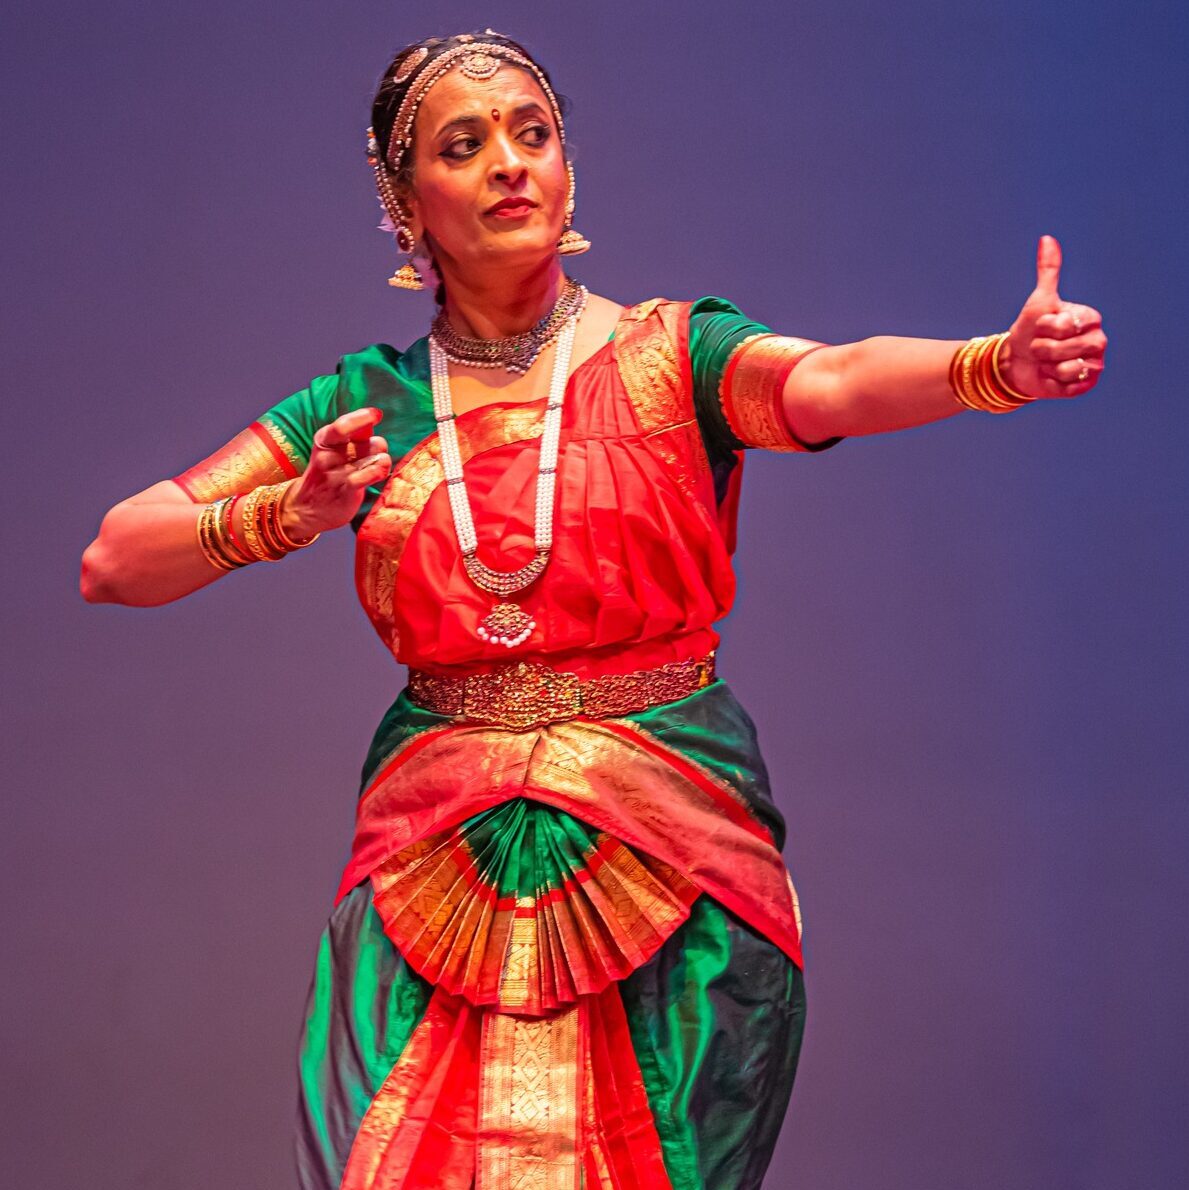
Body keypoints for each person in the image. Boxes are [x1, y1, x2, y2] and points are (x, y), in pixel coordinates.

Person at [80, 29, 1107, 1190]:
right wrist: (283, 516)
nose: (509, 163)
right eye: (464, 146)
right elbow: (115, 555)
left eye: (533, 133)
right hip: (429, 856)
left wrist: (989, 366)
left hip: (673, 847)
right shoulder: (363, 404)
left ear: (568, 171)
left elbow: (830, 379)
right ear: (405, 207)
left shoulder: (673, 354)